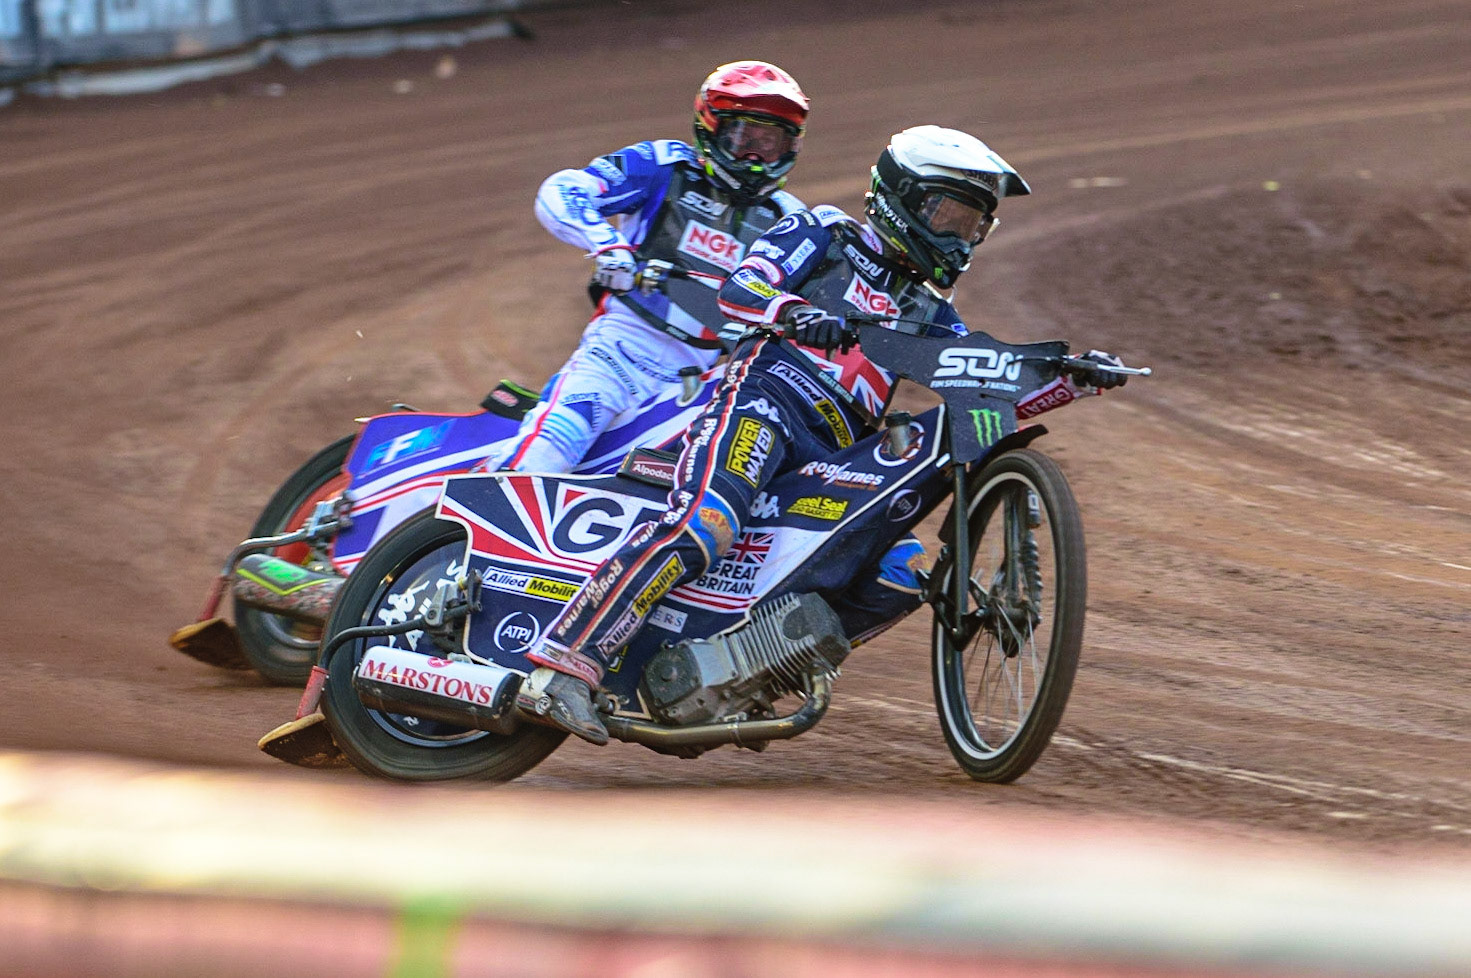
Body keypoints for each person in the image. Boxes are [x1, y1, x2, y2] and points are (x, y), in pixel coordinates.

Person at [522, 125, 1128, 744]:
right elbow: (740, 289)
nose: (960, 237)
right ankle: (563, 664)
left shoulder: (931, 313)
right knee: (706, 520)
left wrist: (1071, 378)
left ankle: (738, 678)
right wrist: (793, 313)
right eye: (949, 215)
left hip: (837, 455)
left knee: (899, 575)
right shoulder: (823, 233)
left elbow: (986, 390)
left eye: (974, 224)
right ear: (903, 200)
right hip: (764, 400)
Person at [482, 61, 810, 474]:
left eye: (771, 143)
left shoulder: (790, 218)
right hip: (618, 356)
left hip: (712, 383)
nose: (755, 155)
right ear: (713, 128)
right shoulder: (664, 165)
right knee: (543, 457)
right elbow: (563, 189)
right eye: (745, 136)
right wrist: (608, 246)